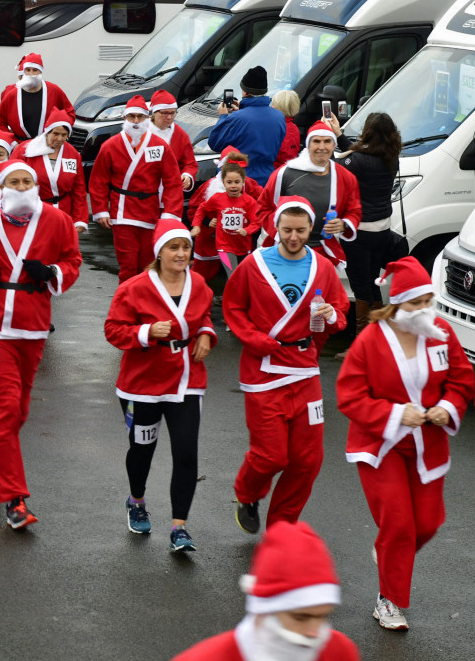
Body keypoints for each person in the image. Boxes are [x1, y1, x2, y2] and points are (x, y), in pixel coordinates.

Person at [335, 257, 473, 631]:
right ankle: (389, 600)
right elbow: (349, 396)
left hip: (428, 446)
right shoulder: (370, 340)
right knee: (398, 524)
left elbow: (461, 380)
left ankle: (389, 553)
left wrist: (447, 407)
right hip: (381, 446)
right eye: (416, 303)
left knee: (427, 524)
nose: (425, 309)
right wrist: (397, 414)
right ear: (397, 304)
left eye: (428, 300)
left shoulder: (440, 330)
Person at [0, 159, 81, 528]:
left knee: (19, 410)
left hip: (33, 321)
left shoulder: (56, 220)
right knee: (8, 403)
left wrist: (55, 272)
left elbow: (72, 259)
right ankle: (15, 499)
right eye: (15, 180)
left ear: (36, 186)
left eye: (28, 180)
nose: (22, 185)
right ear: (3, 186)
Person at [224, 197, 348, 533]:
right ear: (275, 228)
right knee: (271, 456)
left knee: (308, 459)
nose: (293, 237)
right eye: (287, 230)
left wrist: (333, 315)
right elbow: (233, 308)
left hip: (304, 370)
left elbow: (339, 313)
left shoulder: (323, 267)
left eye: (301, 230)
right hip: (263, 372)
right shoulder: (254, 264)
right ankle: (247, 493)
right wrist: (254, 339)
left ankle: (282, 527)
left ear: (311, 229)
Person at [104, 221, 215, 551]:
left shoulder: (198, 283)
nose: (182, 253)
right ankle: (136, 500)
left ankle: (180, 527)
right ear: (159, 252)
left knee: (185, 452)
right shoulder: (134, 288)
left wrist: (207, 334)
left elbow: (203, 316)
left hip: (186, 381)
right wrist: (146, 333)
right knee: (142, 450)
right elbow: (112, 330)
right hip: (142, 385)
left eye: (185, 247)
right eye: (174, 247)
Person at [172, 521, 360, 661]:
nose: (315, 632)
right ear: (262, 611)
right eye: (300, 617)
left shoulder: (340, 652)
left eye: (323, 616)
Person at [88, 95, 185, 282]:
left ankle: (144, 304)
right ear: (124, 118)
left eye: (139, 117)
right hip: (122, 211)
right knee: (128, 264)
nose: (135, 121)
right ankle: (124, 306)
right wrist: (100, 210)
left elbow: (172, 181)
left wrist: (170, 213)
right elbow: (98, 180)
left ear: (147, 118)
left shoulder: (159, 145)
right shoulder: (110, 146)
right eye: (131, 117)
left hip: (150, 211)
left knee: (147, 265)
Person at [331, 111, 402, 353]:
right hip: (382, 229)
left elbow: (339, 167)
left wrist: (332, 145)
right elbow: (359, 155)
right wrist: (340, 136)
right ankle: (380, 334)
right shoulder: (392, 158)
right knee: (372, 279)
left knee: (360, 284)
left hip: (358, 232)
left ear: (368, 132)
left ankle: (361, 345)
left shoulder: (359, 159)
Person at [255, 120, 361, 269]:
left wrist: (344, 224)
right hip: (284, 249)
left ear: (334, 144)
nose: (322, 147)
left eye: (327, 141)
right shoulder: (285, 173)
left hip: (323, 252)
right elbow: (262, 208)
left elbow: (354, 210)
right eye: (316, 141)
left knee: (319, 292)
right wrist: (283, 231)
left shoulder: (345, 177)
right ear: (308, 144)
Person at [206, 66, 286, 186]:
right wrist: (243, 110)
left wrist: (223, 116)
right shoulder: (279, 116)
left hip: (239, 180)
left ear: (245, 92)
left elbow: (215, 143)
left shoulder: (237, 118)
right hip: (267, 180)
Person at [190, 161, 259, 279]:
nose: (233, 186)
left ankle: (231, 296)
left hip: (243, 247)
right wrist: (196, 226)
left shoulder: (249, 202)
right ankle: (231, 297)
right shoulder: (217, 198)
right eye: (229, 182)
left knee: (241, 276)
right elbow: (201, 208)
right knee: (233, 275)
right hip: (224, 247)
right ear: (223, 183)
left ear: (243, 182)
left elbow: (257, 222)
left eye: (237, 182)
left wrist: (247, 230)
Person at [0, 53, 74, 143]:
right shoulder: (12, 94)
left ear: (40, 71)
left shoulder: (54, 90)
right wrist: (11, 143)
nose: (31, 74)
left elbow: (69, 112)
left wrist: (62, 132)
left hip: (47, 144)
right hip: (20, 146)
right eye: (28, 70)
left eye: (35, 70)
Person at [147, 90, 197, 191]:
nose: (169, 117)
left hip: (171, 194)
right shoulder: (141, 132)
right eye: (165, 113)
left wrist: (187, 176)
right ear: (154, 112)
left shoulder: (179, 134)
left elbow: (190, 163)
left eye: (173, 113)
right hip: (145, 193)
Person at [271, 89, 302, 169]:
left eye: (273, 104)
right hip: (289, 170)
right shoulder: (294, 128)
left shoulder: (274, 127)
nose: (271, 106)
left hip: (274, 172)